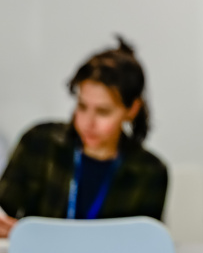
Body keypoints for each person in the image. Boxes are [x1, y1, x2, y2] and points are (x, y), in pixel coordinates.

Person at [0, 36, 168, 238]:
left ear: (132, 109)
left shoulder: (150, 172)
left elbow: (140, 245)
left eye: (103, 112)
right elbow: (4, 206)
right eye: (82, 106)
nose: (88, 122)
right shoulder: (39, 142)